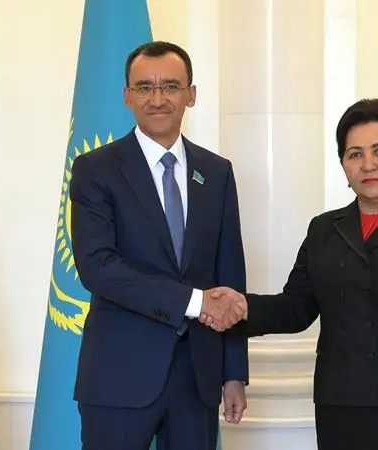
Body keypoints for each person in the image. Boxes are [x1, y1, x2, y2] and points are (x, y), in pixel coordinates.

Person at [202, 98, 378, 450]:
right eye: (355, 154)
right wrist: (242, 307)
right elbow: (296, 307)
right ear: (343, 164)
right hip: (343, 408)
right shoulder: (324, 229)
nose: (368, 164)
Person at [69, 41, 249, 450]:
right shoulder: (95, 170)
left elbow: (229, 275)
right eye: (144, 87)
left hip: (198, 377)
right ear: (127, 96)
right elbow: (98, 268)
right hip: (119, 374)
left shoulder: (216, 172)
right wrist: (194, 302)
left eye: (170, 86)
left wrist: (233, 371)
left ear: (191, 94)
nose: (157, 98)